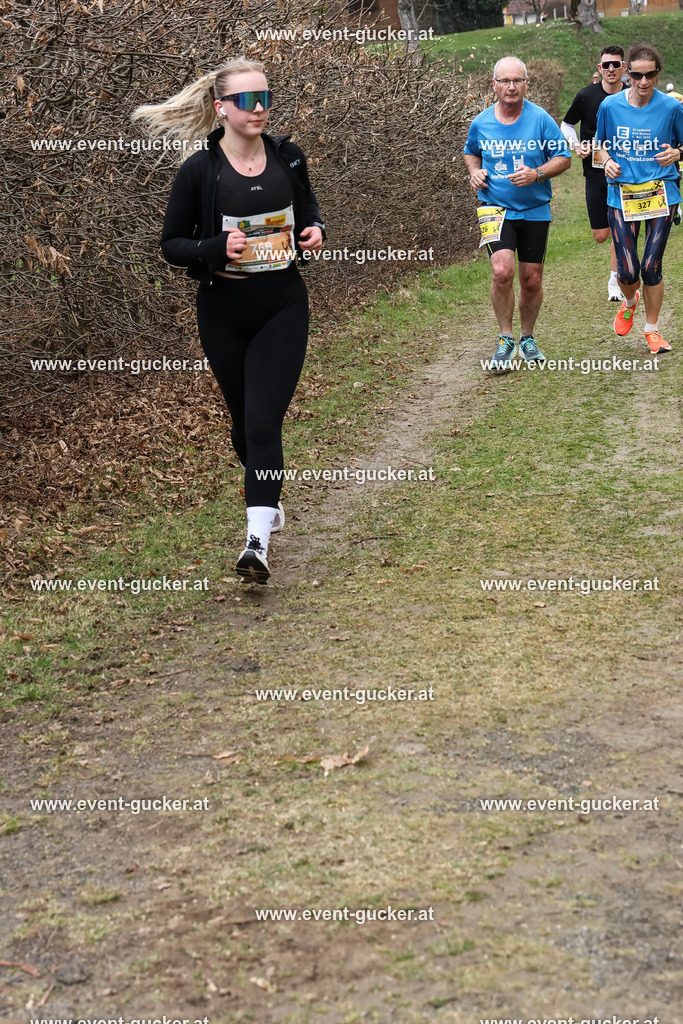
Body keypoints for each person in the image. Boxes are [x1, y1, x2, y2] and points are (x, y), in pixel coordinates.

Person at [132, 60, 324, 583]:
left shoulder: (289, 155)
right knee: (244, 426)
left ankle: (256, 541)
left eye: (264, 96)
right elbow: (172, 244)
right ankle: (267, 495)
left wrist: (314, 232)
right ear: (221, 108)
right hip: (222, 311)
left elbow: (307, 210)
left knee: (264, 422)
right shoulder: (199, 170)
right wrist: (218, 247)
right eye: (245, 100)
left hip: (282, 304)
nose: (258, 107)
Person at [463, 57, 571, 371]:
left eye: (517, 81)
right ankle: (505, 339)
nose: (511, 87)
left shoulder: (540, 120)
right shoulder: (481, 122)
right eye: (505, 81)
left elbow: (563, 157)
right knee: (501, 270)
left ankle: (527, 337)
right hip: (494, 207)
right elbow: (471, 152)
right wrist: (475, 172)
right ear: (494, 84)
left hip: (535, 209)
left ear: (526, 84)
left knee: (531, 279)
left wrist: (537, 173)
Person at [595, 43, 683, 354]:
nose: (643, 82)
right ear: (626, 73)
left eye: (650, 75)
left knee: (651, 266)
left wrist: (678, 152)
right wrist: (605, 161)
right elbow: (599, 145)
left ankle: (652, 330)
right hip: (621, 194)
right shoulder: (610, 107)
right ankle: (630, 303)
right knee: (628, 270)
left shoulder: (672, 108)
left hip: (662, 192)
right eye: (636, 75)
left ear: (658, 74)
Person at [561, 45, 627, 303]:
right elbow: (566, 124)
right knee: (601, 235)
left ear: (623, 68)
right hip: (595, 172)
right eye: (606, 65)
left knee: (620, 228)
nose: (611, 69)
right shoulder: (586, 96)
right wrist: (576, 145)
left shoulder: (633, 96)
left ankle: (615, 281)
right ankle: (622, 257)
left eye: (616, 64)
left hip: (624, 173)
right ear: (600, 69)